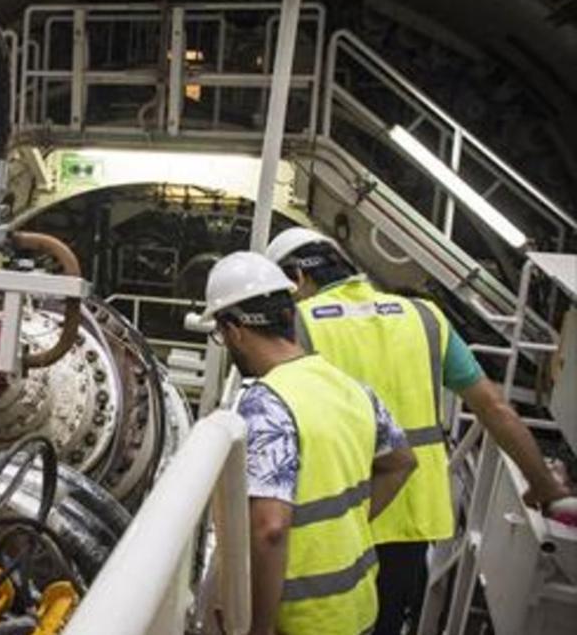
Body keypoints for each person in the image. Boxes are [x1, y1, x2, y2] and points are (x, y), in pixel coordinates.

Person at [265, 226, 577, 634]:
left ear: (297, 277)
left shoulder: (297, 329)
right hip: (411, 514)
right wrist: (546, 487)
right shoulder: (425, 318)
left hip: (332, 520)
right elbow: (495, 408)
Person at [202, 252, 418, 635]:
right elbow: (402, 462)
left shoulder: (266, 404)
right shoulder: (349, 386)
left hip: (304, 619)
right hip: (359, 606)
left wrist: (259, 629)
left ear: (234, 330)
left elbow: (270, 530)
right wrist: (340, 529)